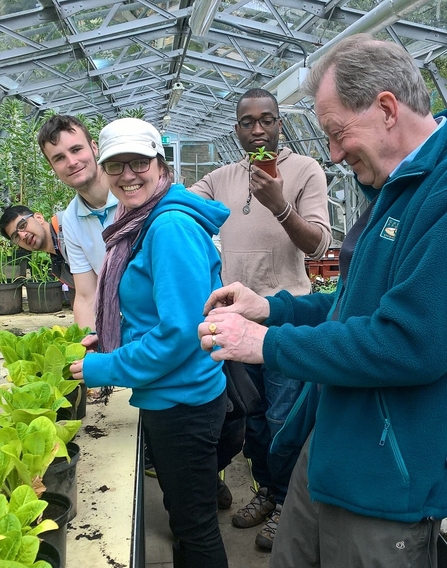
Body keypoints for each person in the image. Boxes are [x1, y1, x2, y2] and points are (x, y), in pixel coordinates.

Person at [198, 34, 447, 568]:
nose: (332, 152)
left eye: (336, 132)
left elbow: (408, 343)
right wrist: (273, 309)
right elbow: (351, 306)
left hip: (385, 482)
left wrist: (268, 342)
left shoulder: (438, 196)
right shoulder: (392, 187)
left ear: (385, 108)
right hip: (330, 446)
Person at [69, 117, 230, 568]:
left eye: (138, 162)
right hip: (173, 394)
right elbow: (158, 312)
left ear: (160, 163)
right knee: (186, 517)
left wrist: (106, 366)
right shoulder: (141, 219)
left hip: (183, 402)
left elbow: (180, 333)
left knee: (194, 528)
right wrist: (113, 334)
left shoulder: (168, 227)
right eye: (115, 165)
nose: (127, 175)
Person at [190, 87, 331, 548]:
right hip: (236, 318)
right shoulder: (221, 178)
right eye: (247, 123)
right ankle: (268, 492)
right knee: (251, 417)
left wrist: (279, 204)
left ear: (279, 124)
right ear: (236, 130)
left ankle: (290, 502)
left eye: (266, 120)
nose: (257, 131)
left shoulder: (305, 170)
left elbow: (318, 246)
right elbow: (177, 205)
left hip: (288, 318)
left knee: (286, 416)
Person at [38, 115, 118, 329]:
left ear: (94, 147)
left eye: (76, 150)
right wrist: (88, 350)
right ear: (52, 167)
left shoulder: (131, 193)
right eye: (59, 158)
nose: (72, 162)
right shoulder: (71, 220)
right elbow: (85, 296)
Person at [0, 205, 74, 291]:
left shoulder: (70, 227)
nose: (23, 235)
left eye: (22, 225)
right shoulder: (59, 264)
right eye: (16, 236)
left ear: (39, 218)